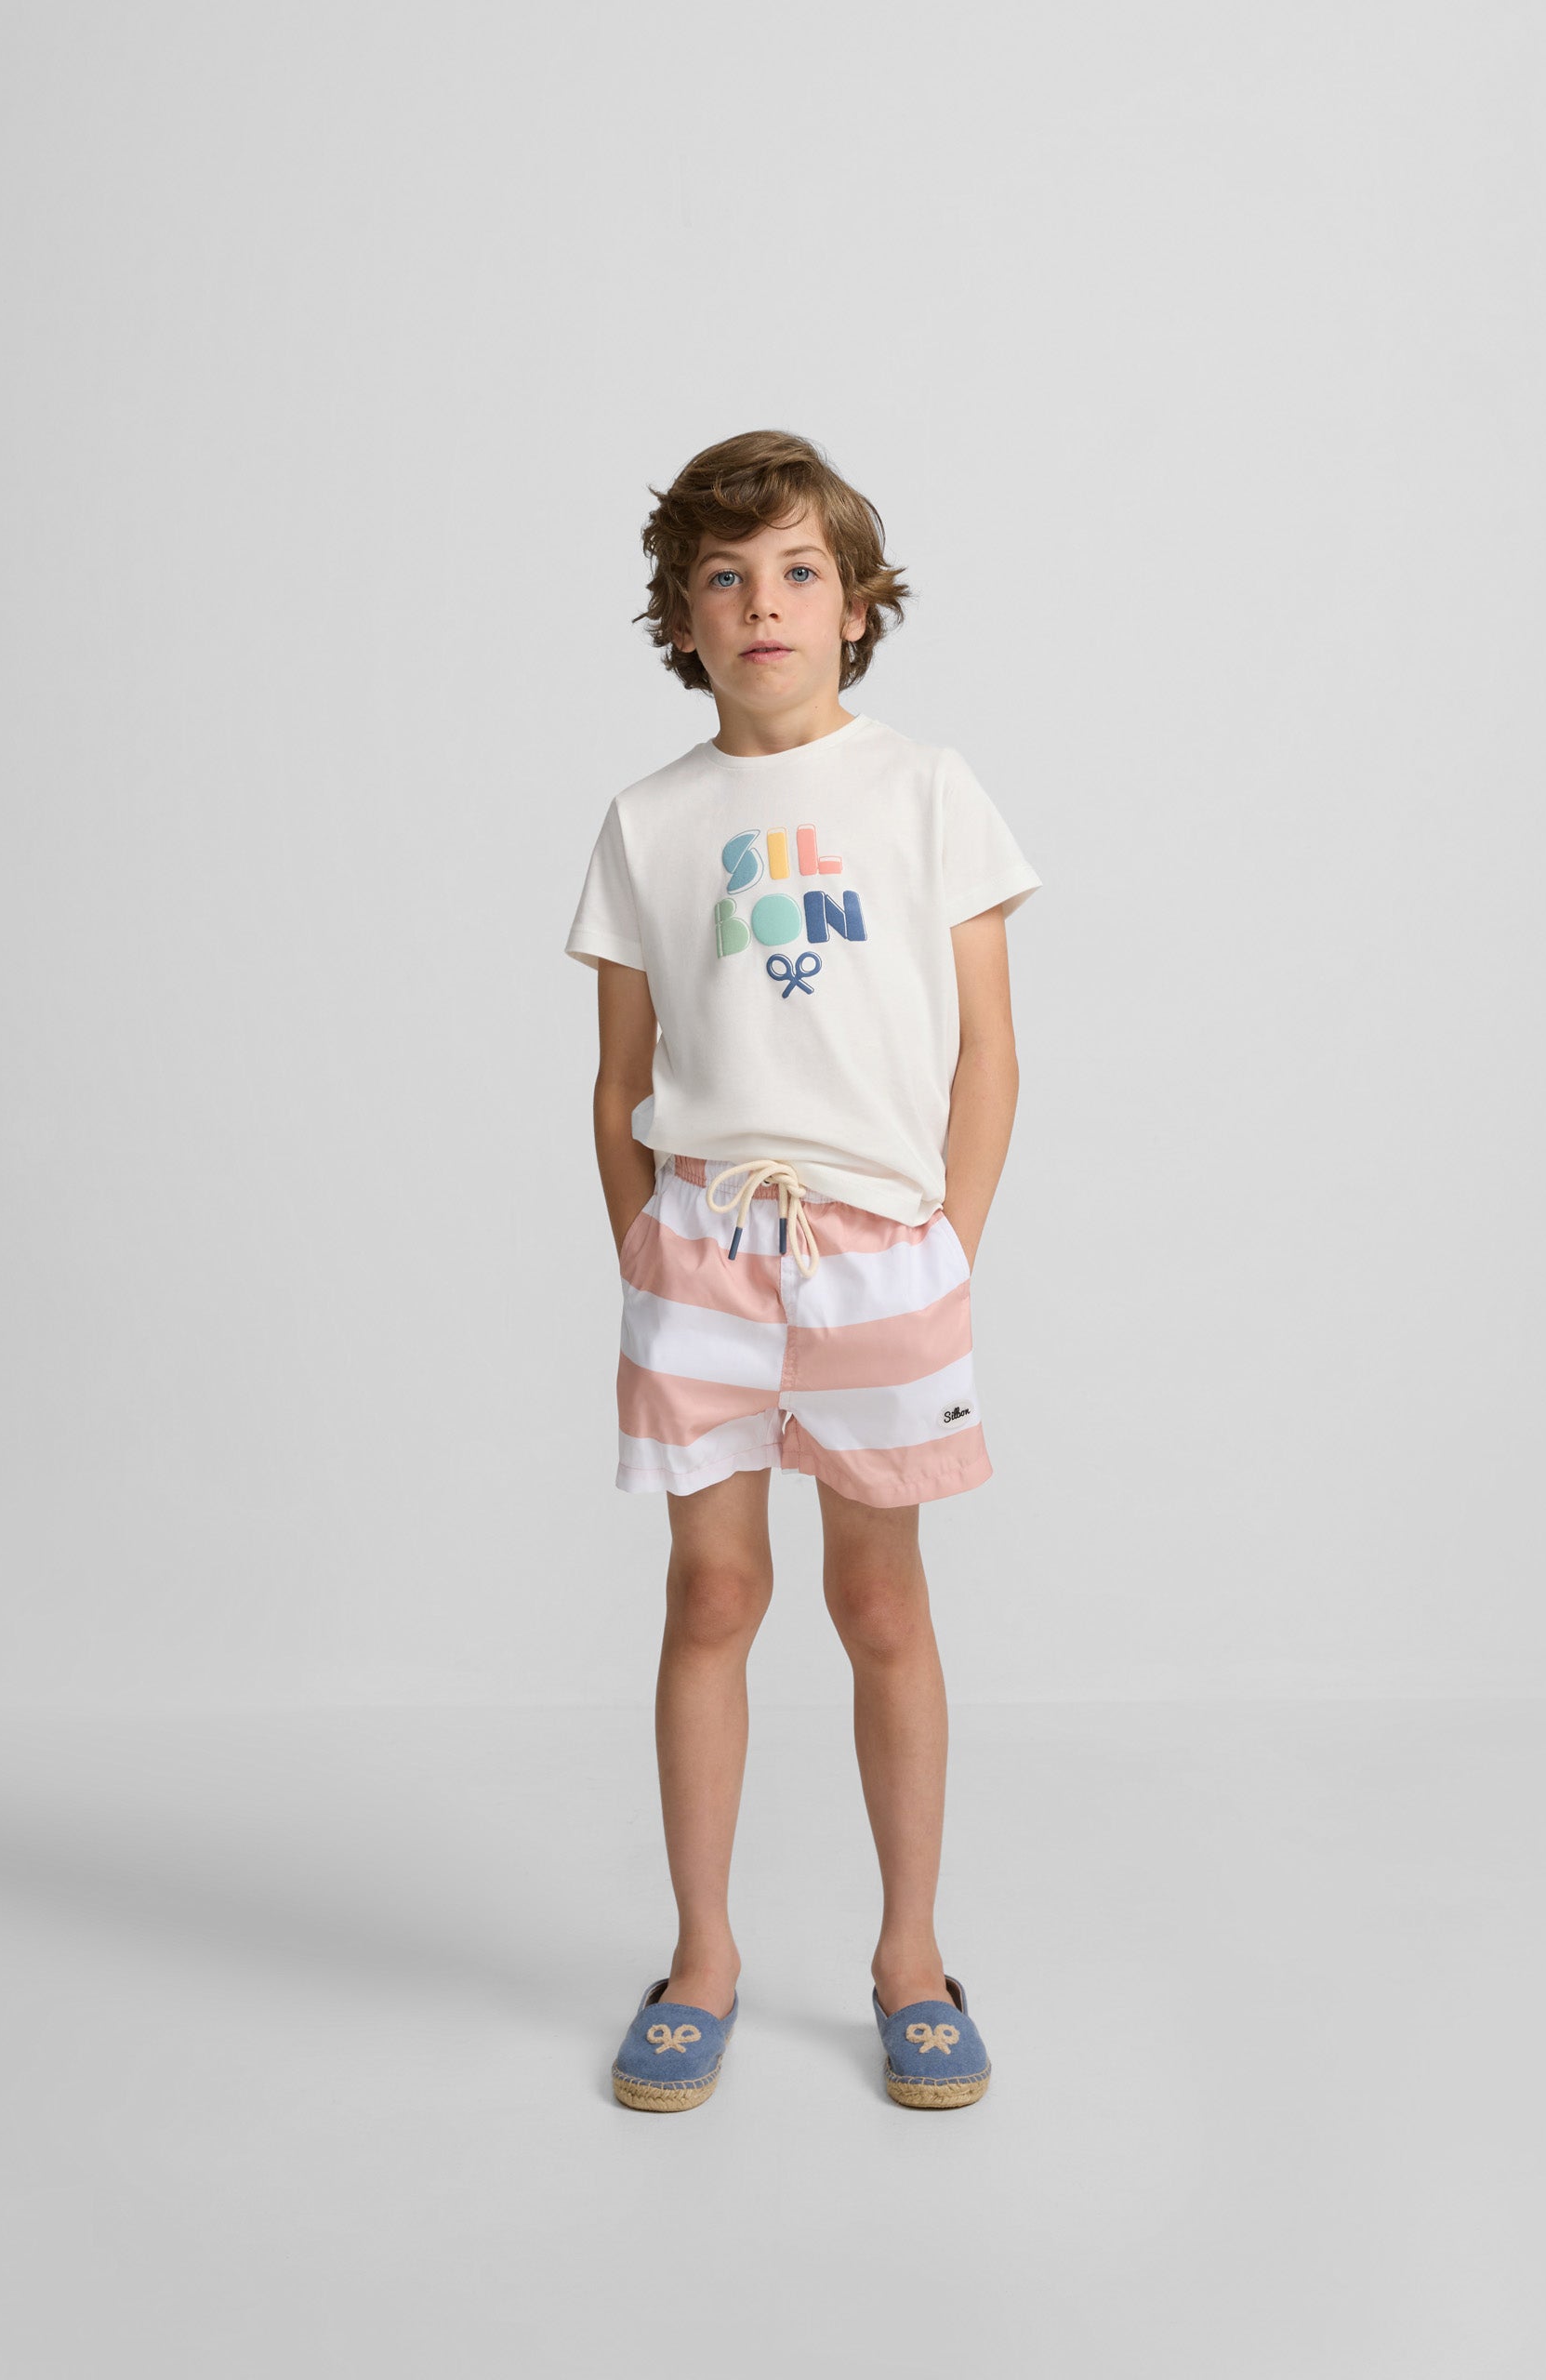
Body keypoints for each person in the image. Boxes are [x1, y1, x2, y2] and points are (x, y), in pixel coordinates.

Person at [564, 430, 1040, 2112]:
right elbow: (618, 1081)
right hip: (703, 1251)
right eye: (724, 576)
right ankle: (703, 1957)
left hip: (881, 1257)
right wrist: (648, 1250)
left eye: (797, 571)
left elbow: (988, 1053)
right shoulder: (650, 822)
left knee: (880, 1602)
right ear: (682, 618)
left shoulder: (927, 790)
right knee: (711, 1596)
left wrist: (944, 1249)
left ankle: (912, 1958)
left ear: (854, 607)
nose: (761, 603)